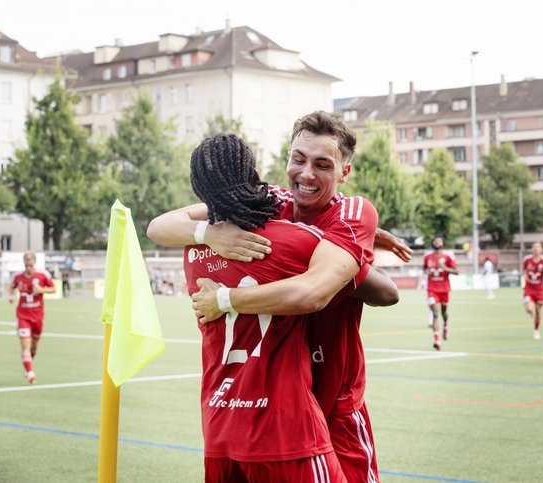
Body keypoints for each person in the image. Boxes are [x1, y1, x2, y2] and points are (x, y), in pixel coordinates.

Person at [149, 111, 408, 483]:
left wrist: (225, 298)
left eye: (322, 165)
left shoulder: (351, 213)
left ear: (344, 173)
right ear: (287, 157)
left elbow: (351, 292)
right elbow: (159, 225)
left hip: (334, 400)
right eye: (298, 159)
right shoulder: (270, 201)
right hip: (281, 404)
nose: (306, 174)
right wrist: (211, 233)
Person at [181, 133, 367, 481]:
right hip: (284, 427)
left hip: (220, 425)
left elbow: (159, 225)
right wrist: (363, 247)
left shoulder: (191, 252)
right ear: (254, 176)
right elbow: (377, 288)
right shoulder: (295, 240)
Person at [8, 252, 55, 384]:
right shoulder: (18, 276)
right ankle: (30, 372)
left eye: (31, 264)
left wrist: (41, 290)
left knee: (34, 345)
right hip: (23, 315)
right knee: (25, 345)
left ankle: (28, 364)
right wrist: (11, 296)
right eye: (26, 264)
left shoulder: (42, 275)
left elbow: (53, 288)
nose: (29, 267)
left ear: (34, 262)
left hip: (38, 316)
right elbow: (12, 287)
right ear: (24, 263)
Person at [423, 235, 458, 351]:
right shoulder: (428, 257)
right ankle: (437, 341)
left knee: (444, 312)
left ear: (443, 243)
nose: (437, 243)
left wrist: (445, 268)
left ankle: (446, 325)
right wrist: (427, 272)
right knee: (435, 313)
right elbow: (424, 269)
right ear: (432, 243)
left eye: (439, 241)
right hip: (432, 289)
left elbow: (456, 271)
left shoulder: (447, 257)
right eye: (435, 241)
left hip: (444, 289)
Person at [522, 242, 543, 339]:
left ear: (541, 249)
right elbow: (524, 270)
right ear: (532, 249)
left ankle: (536, 330)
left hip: (539, 290)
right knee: (529, 309)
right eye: (534, 247)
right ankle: (533, 314)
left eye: (538, 247)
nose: (535, 249)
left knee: (538, 312)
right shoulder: (527, 259)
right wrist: (525, 276)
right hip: (529, 289)